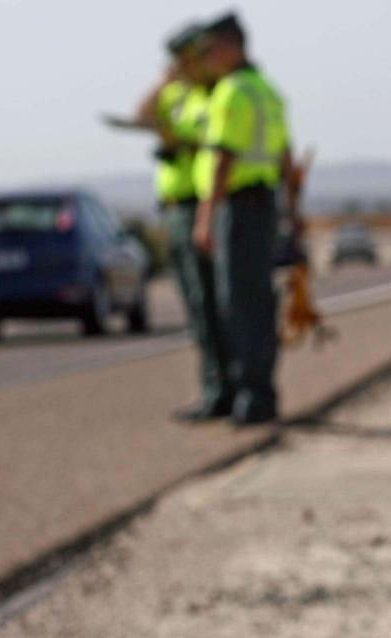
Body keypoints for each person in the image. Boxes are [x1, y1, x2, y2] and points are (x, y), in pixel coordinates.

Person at [192, 12, 298, 426]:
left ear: (232, 46)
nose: (208, 59)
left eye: (211, 50)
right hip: (264, 204)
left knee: (238, 303)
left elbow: (223, 158)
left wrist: (205, 217)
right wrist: (293, 208)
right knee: (258, 301)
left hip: (237, 207)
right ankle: (260, 392)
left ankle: (251, 396)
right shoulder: (267, 91)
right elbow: (286, 156)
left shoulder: (232, 92)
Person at [137, 22, 233, 422]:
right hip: (175, 207)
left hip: (199, 205)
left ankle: (223, 390)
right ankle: (216, 387)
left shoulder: (209, 97)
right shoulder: (177, 94)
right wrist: (163, 82)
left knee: (209, 303)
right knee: (197, 306)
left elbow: (217, 148)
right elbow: (142, 115)